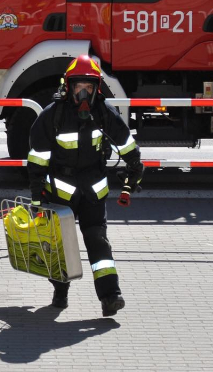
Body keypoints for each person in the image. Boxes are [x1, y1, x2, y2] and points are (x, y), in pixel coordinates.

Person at [27, 55, 144, 317]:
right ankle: (60, 292)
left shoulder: (103, 113)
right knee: (61, 247)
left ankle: (110, 296)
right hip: (60, 194)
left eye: (89, 88)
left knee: (98, 241)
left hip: (93, 191)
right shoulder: (52, 116)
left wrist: (135, 165)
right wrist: (36, 199)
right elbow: (36, 162)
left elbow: (126, 142)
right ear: (68, 87)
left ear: (97, 89)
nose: (83, 93)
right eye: (79, 87)